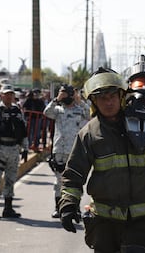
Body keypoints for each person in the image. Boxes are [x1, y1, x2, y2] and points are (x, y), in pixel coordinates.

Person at [59, 67, 145, 253]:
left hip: (142, 221)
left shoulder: (142, 123)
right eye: (102, 98)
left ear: (121, 96)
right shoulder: (89, 134)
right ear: (94, 102)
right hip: (106, 223)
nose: (108, 102)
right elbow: (74, 172)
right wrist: (68, 204)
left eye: (112, 96)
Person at [0, 84, 29, 220]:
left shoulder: (17, 110)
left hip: (14, 149)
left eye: (11, 94)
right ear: (1, 95)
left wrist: (25, 148)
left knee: (11, 179)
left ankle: (8, 209)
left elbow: (23, 130)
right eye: (6, 94)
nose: (9, 96)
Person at [43, 84, 89, 218]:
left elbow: (89, 113)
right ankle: (58, 208)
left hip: (75, 151)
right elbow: (46, 112)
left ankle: (76, 207)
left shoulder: (80, 109)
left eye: (68, 93)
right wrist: (57, 98)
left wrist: (79, 100)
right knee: (59, 182)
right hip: (59, 151)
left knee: (76, 181)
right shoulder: (57, 110)